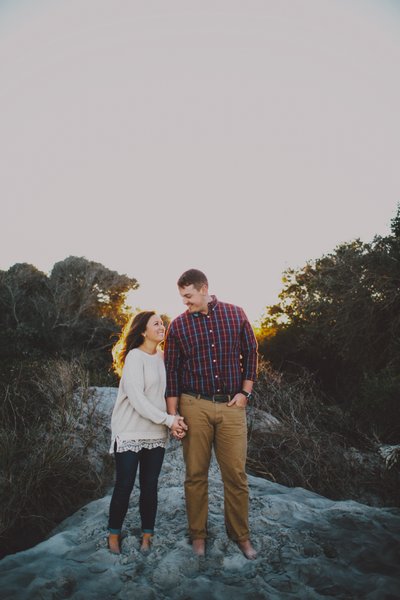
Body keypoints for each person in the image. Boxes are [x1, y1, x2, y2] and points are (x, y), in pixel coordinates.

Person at [164, 269, 258, 559]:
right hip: (195, 406)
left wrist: (245, 393)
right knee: (195, 475)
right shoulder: (178, 326)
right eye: (182, 297)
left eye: (189, 296)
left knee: (236, 475)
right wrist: (173, 417)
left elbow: (251, 352)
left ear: (204, 289)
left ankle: (241, 536)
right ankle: (198, 536)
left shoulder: (235, 313)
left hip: (232, 407)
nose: (185, 302)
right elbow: (172, 373)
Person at [107, 311, 187, 554]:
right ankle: (113, 535)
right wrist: (168, 420)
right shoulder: (134, 357)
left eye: (162, 323)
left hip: (155, 433)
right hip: (130, 431)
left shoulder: (164, 358)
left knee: (150, 485)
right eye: (156, 324)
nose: (162, 326)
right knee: (124, 485)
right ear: (143, 331)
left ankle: (147, 535)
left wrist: (177, 418)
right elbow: (137, 399)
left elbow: (170, 392)